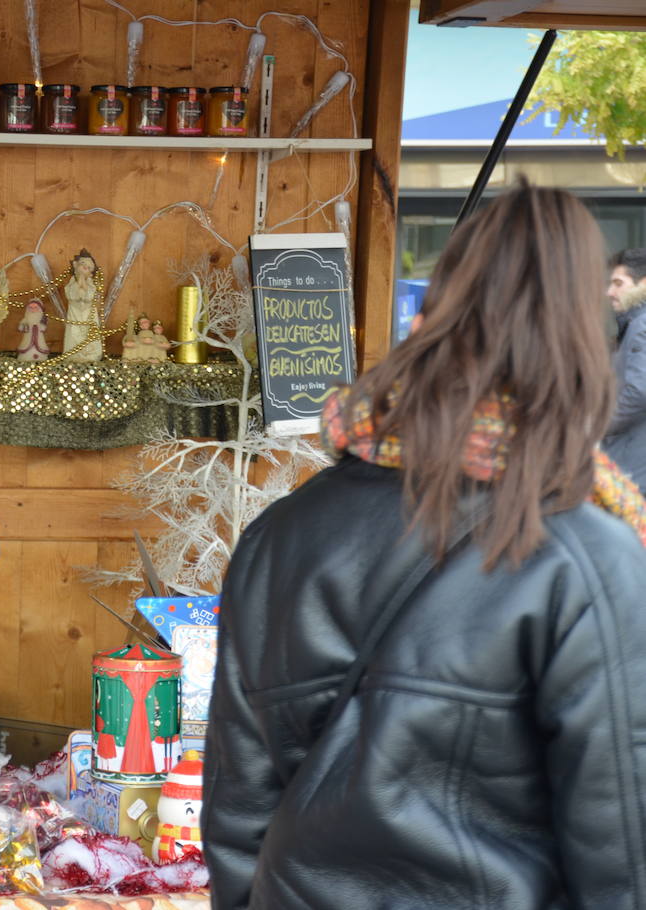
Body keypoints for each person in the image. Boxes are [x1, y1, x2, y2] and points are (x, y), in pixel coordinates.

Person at [203, 180, 646, 909]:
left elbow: (238, 812)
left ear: (435, 315)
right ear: (583, 337)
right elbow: (624, 858)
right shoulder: (590, 556)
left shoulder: (280, 534)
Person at [604, 247, 646, 491]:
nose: (609, 292)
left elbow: (639, 391)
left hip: (636, 471)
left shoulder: (642, 325)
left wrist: (596, 426)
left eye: (618, 283)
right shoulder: (634, 324)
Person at [61, 249, 103, 362]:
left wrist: (83, 282)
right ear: (75, 265)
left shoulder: (92, 285)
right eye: (83, 264)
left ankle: (90, 355)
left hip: (89, 315)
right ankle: (73, 355)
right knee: (73, 334)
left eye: (89, 267)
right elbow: (72, 295)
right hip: (74, 314)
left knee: (89, 335)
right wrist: (79, 280)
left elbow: (89, 296)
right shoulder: (71, 283)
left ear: (91, 272)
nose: (86, 268)